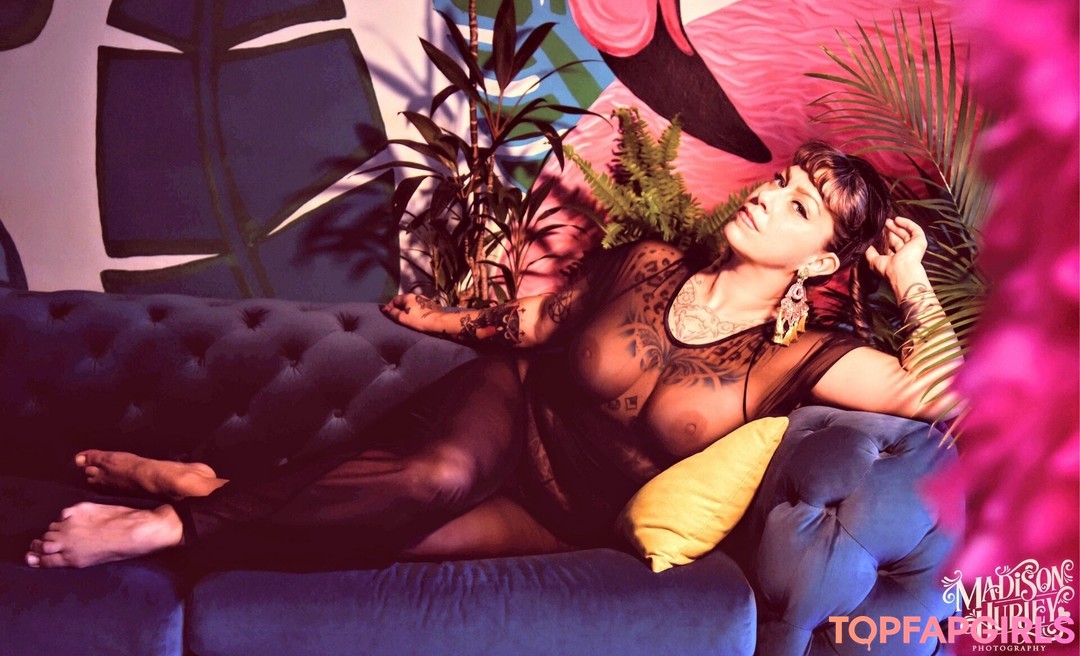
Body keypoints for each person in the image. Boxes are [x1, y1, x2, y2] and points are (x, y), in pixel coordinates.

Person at [24, 141, 964, 570]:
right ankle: (168, 526)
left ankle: (205, 483)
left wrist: (911, 279)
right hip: (509, 413)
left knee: (379, 536)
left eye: (799, 205)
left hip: (567, 516)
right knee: (430, 478)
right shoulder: (649, 262)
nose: (767, 195)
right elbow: (543, 326)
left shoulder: (805, 360)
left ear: (823, 261)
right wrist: (442, 322)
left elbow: (954, 393)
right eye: (782, 179)